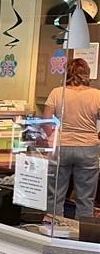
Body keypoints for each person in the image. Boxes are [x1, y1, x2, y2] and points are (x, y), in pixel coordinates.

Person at [44, 57, 100, 219]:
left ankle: (54, 229)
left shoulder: (57, 92)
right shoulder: (97, 95)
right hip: (88, 148)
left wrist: (52, 138)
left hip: (62, 146)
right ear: (87, 74)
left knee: (55, 196)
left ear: (67, 73)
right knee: (86, 199)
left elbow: (46, 122)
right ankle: (82, 232)